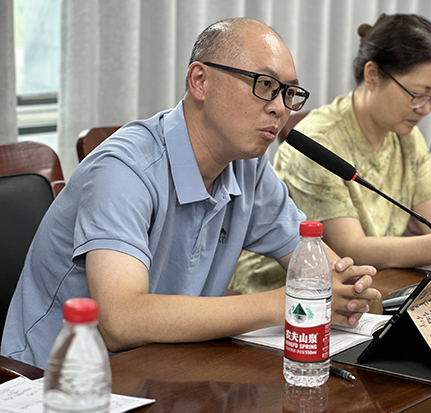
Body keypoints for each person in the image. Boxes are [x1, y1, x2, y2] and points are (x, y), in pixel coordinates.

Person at [1, 18, 381, 369]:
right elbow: (121, 321)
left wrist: (353, 291)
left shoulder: (247, 167)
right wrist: (284, 302)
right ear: (200, 81)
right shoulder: (124, 168)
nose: (280, 108)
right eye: (265, 86)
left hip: (163, 368)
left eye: (289, 93)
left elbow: (318, 265)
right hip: (56, 380)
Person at [230, 13, 431, 295]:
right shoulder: (321, 139)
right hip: (286, 296)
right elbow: (349, 248)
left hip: (367, 288)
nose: (425, 109)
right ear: (372, 76)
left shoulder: (403, 134)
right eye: (418, 94)